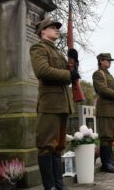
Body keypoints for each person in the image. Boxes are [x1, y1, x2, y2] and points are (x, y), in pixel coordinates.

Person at [30, 17, 80, 190]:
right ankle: (49, 187)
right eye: (52, 27)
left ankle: (59, 185)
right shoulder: (38, 48)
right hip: (50, 104)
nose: (57, 29)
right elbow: (42, 71)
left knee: (58, 147)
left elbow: (69, 74)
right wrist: (68, 75)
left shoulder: (57, 52)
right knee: (46, 147)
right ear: (43, 31)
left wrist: (74, 63)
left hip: (62, 104)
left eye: (57, 27)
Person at [92, 53, 114, 173]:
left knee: (110, 137)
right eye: (107, 60)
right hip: (105, 109)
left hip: (112, 109)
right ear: (101, 61)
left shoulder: (108, 74)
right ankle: (106, 164)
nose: (109, 62)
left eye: (110, 60)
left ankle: (110, 161)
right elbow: (103, 90)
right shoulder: (98, 74)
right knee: (105, 137)